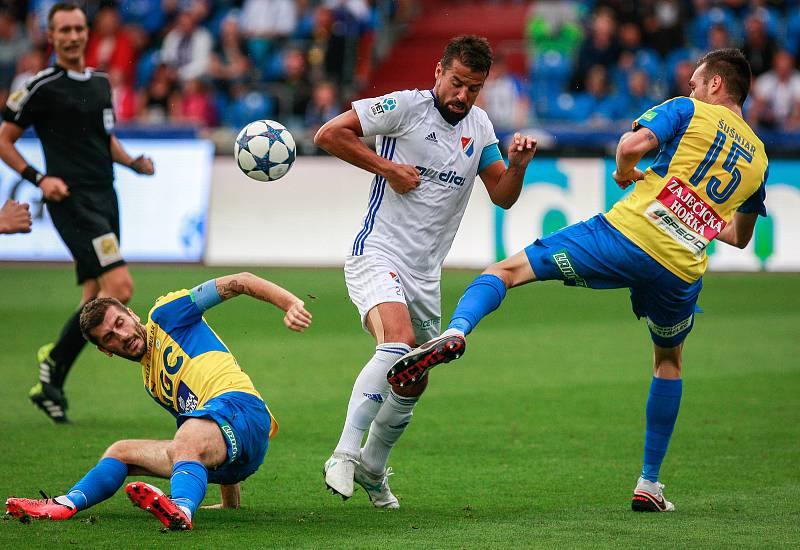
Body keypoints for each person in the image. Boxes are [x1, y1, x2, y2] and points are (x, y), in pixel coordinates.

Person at [390, 48, 768, 512]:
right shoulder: (760, 160)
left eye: (695, 81)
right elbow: (740, 235)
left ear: (714, 85)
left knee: (506, 272)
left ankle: (454, 332)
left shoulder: (688, 109)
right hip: (680, 269)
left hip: (624, 238)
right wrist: (698, 217)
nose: (690, 86)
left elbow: (629, 147)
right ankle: (649, 482)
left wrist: (628, 173)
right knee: (668, 361)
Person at [313, 35, 537, 508]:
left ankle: (374, 466)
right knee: (395, 344)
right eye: (456, 83)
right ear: (439, 71)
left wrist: (516, 167)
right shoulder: (405, 107)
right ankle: (344, 454)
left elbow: (503, 194)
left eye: (473, 88)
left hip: (425, 274)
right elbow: (329, 133)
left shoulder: (479, 127)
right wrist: (387, 167)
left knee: (414, 376)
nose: (462, 96)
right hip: (378, 251)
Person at [5, 272, 312, 531]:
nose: (121, 335)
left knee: (187, 436)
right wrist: (231, 502)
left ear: (132, 314)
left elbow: (240, 281)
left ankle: (179, 509)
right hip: (230, 455)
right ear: (106, 350)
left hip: (244, 410)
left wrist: (290, 304)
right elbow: (202, 433)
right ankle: (64, 504)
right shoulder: (152, 382)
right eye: (109, 336)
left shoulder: (166, 313)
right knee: (121, 451)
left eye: (120, 322)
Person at [0, 2, 155, 423]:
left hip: (106, 196)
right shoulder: (40, 86)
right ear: (50, 37)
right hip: (71, 201)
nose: (72, 36)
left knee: (94, 295)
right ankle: (53, 361)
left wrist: (132, 163)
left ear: (88, 33)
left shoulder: (102, 83)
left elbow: (104, 140)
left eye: (78, 29)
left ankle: (51, 379)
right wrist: (39, 178)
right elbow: (5, 139)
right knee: (119, 289)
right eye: (63, 30)